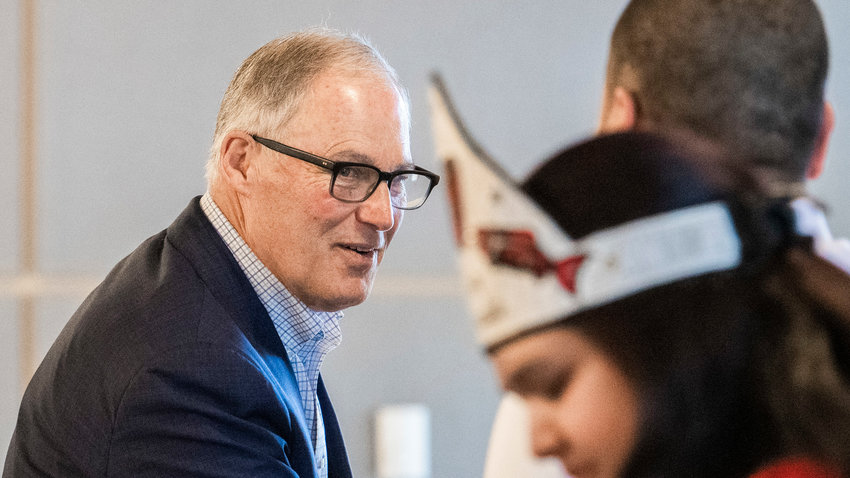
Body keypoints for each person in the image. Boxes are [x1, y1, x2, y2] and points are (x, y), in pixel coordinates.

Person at [3, 28, 439, 478]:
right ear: (240, 163)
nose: (383, 215)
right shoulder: (189, 367)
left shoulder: (215, 301)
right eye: (349, 172)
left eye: (398, 180)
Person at [450, 0, 850, 475]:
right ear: (823, 137)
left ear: (623, 134)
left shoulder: (588, 348)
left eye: (553, 385)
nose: (541, 439)